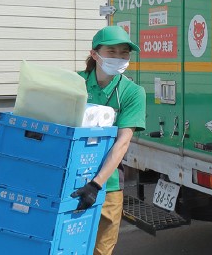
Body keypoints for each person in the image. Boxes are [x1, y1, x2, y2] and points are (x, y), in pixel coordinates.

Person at [72, 25, 145, 255]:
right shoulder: (75, 83)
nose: (119, 57)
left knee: (100, 251)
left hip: (108, 185)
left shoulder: (132, 92)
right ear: (95, 54)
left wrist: (96, 184)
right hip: (70, 178)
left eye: (124, 53)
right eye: (111, 52)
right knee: (66, 245)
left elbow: (123, 142)